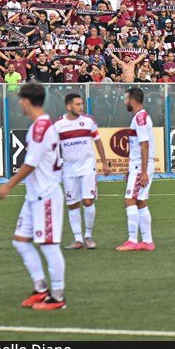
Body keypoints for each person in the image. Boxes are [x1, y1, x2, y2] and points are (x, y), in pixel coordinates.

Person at [0, 81, 66, 311]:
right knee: (20, 241)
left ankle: (58, 297)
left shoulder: (40, 128)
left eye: (20, 100)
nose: (19, 104)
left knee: (48, 245)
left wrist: (8, 186)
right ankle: (40, 288)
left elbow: (30, 164)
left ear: (26, 101)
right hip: (34, 195)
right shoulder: (43, 125)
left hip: (46, 195)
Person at [55, 93, 109, 250]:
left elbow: (98, 141)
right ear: (68, 106)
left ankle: (88, 236)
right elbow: (52, 146)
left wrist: (104, 162)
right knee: (72, 204)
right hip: (68, 169)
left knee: (88, 201)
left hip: (87, 167)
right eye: (77, 104)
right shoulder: (58, 124)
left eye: (82, 104)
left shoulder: (88, 121)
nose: (81, 107)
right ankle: (77, 239)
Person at [116, 87, 156, 251]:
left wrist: (143, 171)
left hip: (141, 166)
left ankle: (132, 240)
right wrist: (130, 168)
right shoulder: (140, 117)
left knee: (129, 200)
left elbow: (144, 145)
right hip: (138, 166)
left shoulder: (140, 118)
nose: (125, 102)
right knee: (140, 202)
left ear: (132, 101)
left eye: (126, 99)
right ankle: (147, 241)